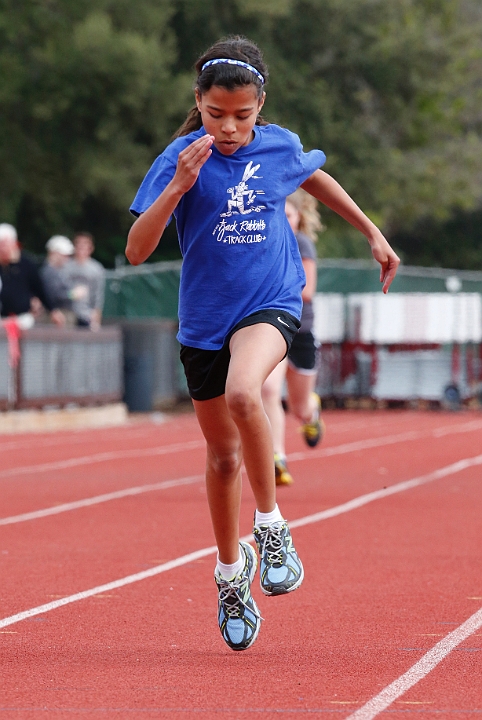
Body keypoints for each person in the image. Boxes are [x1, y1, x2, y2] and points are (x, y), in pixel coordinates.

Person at [126, 36, 400, 652]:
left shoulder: (277, 146)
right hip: (203, 322)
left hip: (270, 302)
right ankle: (230, 575)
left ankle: (272, 527)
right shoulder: (180, 156)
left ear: (260, 107)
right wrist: (178, 185)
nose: (227, 127)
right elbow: (136, 249)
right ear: (198, 102)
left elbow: (315, 176)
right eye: (215, 113)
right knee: (222, 461)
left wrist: (372, 233)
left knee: (246, 391)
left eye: (242, 116)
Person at [262, 189, 324, 486]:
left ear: (299, 217)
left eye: (289, 215)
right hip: (270, 327)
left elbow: (307, 291)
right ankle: (277, 457)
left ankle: (311, 413)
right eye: (279, 216)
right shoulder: (263, 242)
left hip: (299, 329)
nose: (284, 221)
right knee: (269, 391)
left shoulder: (302, 244)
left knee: (299, 406)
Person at [0, 223, 65, 327]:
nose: (3, 249)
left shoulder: (26, 263)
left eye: (5, 244)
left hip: (22, 319)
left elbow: (39, 289)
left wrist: (53, 310)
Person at [64, 231, 105, 330]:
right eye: (78, 243)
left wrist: (96, 316)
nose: (81, 247)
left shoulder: (97, 269)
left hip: (87, 314)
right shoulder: (66, 267)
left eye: (85, 244)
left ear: (91, 248)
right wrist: (72, 294)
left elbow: (98, 294)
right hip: (68, 313)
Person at [39, 235, 79, 326]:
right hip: (57, 315)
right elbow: (53, 294)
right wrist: (72, 294)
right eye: (64, 255)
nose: (67, 258)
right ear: (54, 253)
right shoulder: (48, 272)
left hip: (64, 313)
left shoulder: (60, 271)